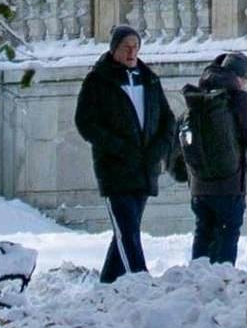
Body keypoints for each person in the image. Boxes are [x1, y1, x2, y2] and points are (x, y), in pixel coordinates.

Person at [71, 26, 180, 283]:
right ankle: (140, 281)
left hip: (145, 168)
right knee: (127, 230)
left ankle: (108, 284)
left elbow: (167, 120)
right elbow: (86, 122)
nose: (132, 52)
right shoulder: (99, 80)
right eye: (126, 47)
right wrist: (117, 147)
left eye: (136, 47)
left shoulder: (149, 79)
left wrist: (159, 150)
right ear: (114, 49)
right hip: (115, 168)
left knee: (127, 229)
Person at [183, 50, 247, 265]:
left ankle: (196, 283)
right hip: (229, 185)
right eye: (245, 80)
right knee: (227, 237)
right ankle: (222, 285)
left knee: (202, 234)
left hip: (199, 185)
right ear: (239, 77)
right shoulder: (238, 97)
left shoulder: (199, 96)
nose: (245, 85)